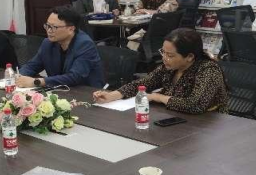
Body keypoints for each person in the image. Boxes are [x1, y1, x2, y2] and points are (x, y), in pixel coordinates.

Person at [93, 28, 229, 114]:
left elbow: (195, 105)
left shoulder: (208, 70)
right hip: (175, 117)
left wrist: (157, 97)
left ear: (189, 57)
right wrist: (112, 95)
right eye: (163, 52)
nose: (164, 58)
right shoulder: (169, 67)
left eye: (170, 55)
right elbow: (142, 84)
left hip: (208, 126)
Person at [17, 6, 105, 88]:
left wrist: (37, 82)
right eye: (47, 26)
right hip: (59, 90)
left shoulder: (85, 44)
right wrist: (18, 76)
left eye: (54, 27)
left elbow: (74, 77)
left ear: (71, 29)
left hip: (86, 92)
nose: (49, 31)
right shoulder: (48, 43)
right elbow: (31, 66)